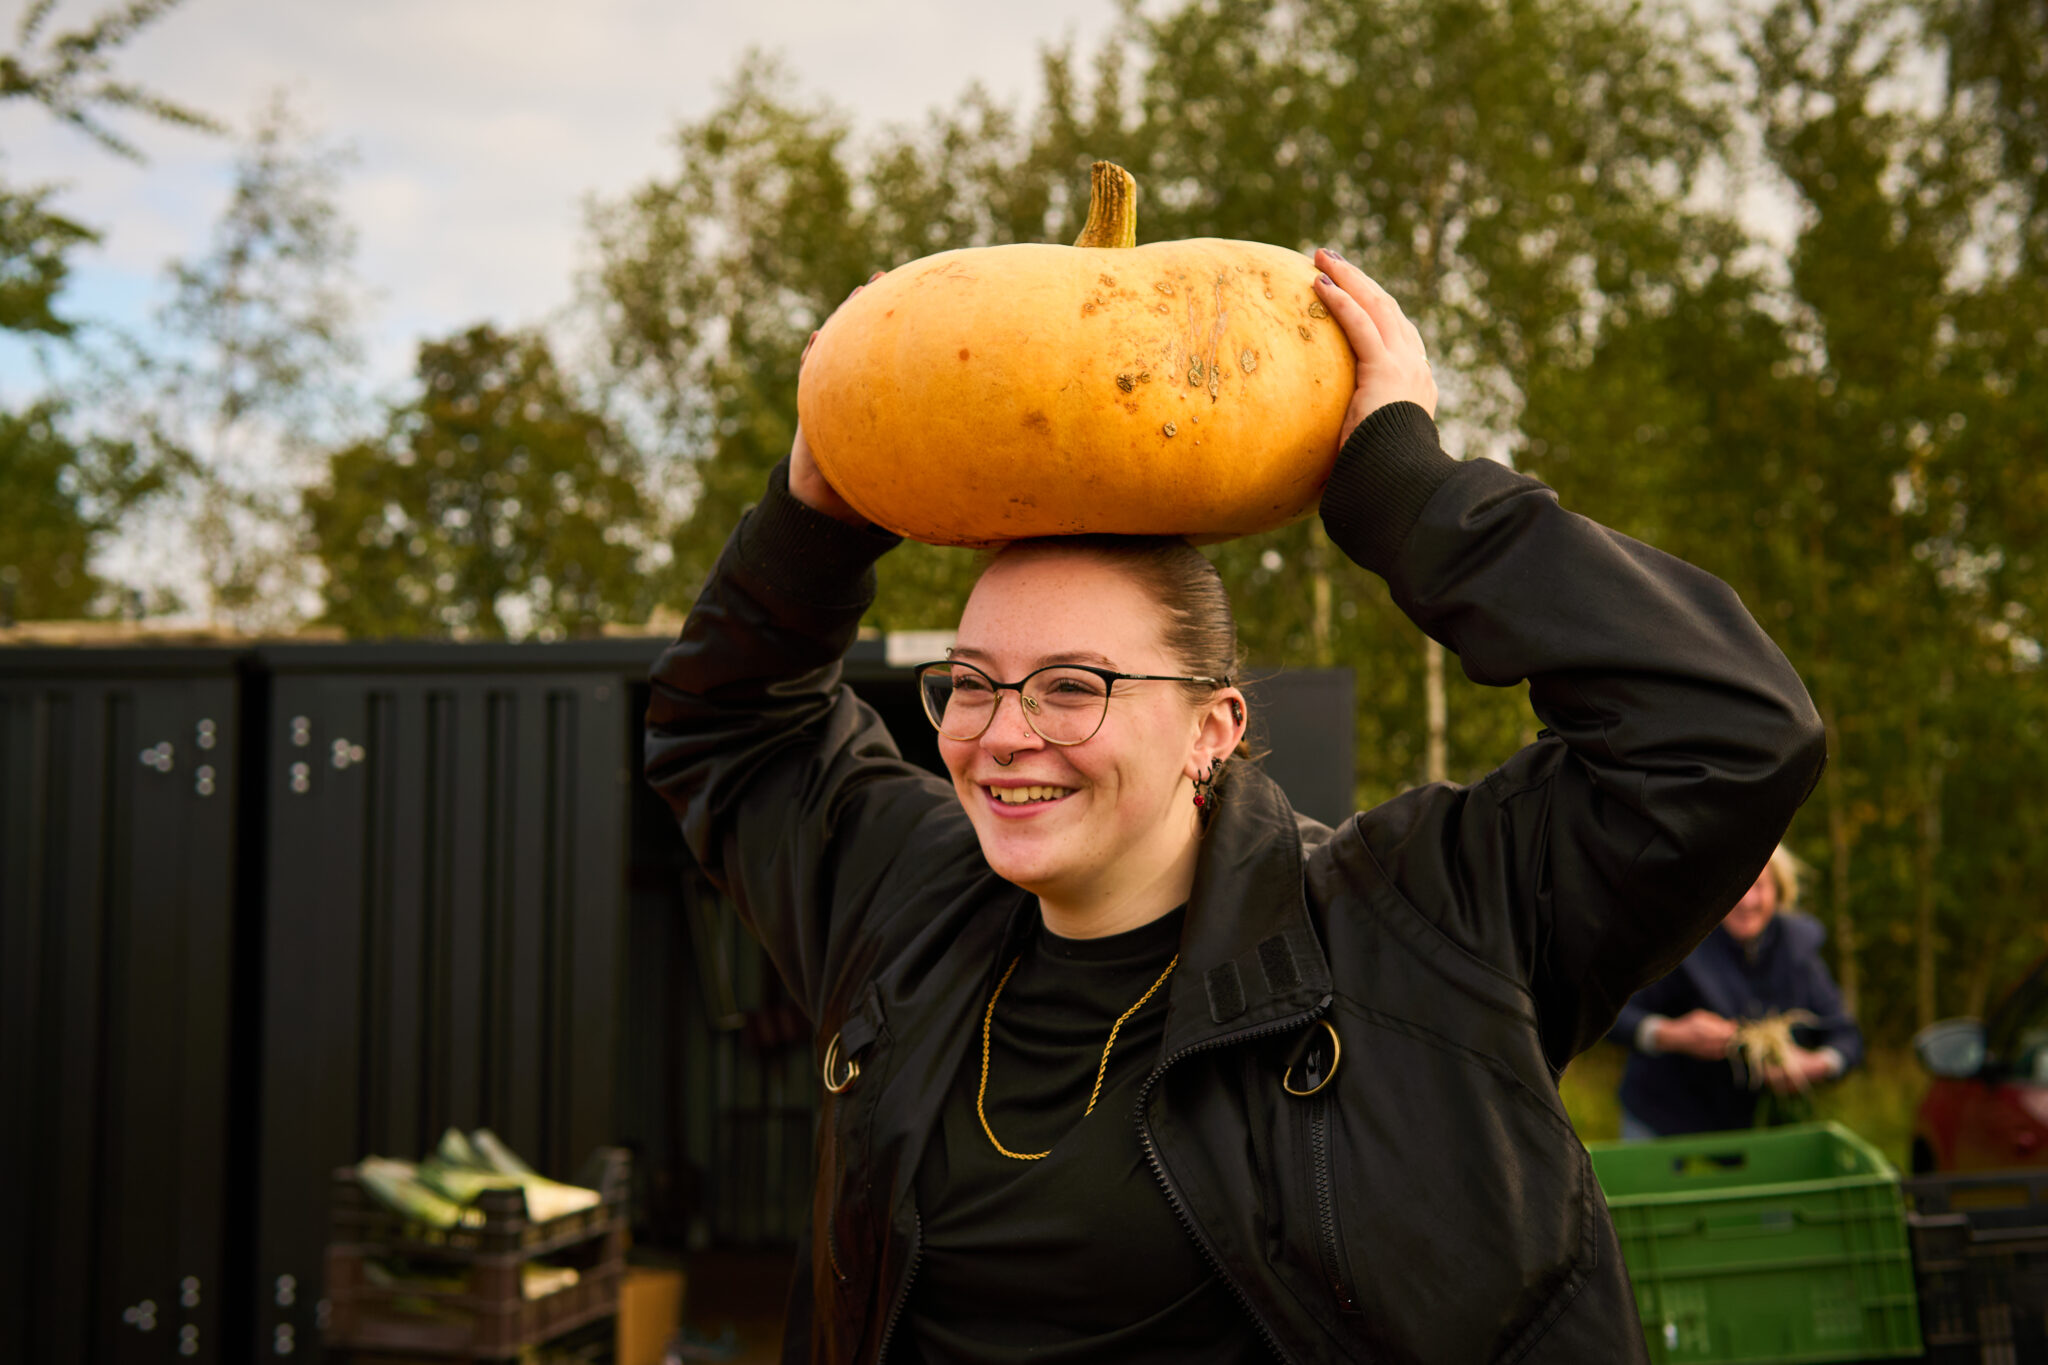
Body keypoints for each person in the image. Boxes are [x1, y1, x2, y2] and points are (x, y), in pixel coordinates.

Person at [644, 249, 1826, 1364]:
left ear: (1214, 728)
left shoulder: (1422, 929)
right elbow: (729, 729)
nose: (1004, 733)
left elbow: (1720, 736)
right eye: (970, 686)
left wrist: (1406, 492)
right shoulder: (907, 905)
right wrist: (819, 511)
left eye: (1072, 687)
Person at [1609, 843, 1863, 1139]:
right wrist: (1671, 1034)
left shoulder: (1798, 950)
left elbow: (1846, 1036)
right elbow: (1615, 1014)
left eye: (1759, 886)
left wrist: (1816, 1065)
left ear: (1779, 890)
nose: (1747, 901)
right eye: (1736, 887)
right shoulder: (1680, 941)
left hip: (1757, 1133)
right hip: (1664, 1122)